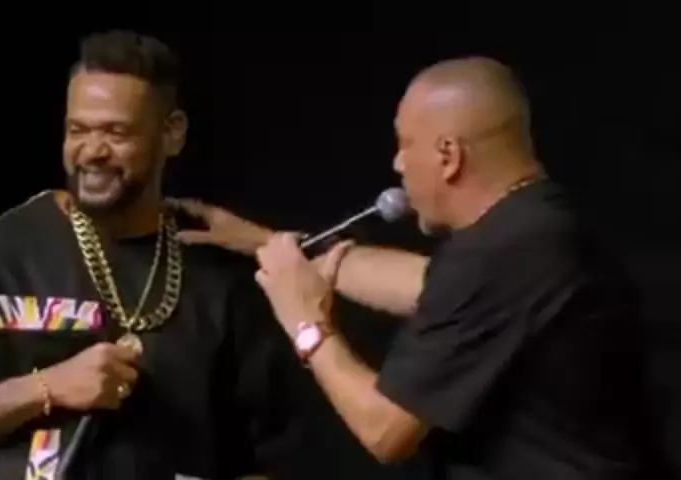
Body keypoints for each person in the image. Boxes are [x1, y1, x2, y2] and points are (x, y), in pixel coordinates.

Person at [174, 57, 646, 479]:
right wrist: (263, 241)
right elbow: (424, 285)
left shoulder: (502, 251)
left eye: (405, 144)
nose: (397, 163)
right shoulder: (534, 226)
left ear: (448, 155)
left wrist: (306, 323)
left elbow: (384, 432)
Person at [0, 30, 299, 480]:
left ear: (172, 133)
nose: (92, 151)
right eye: (77, 130)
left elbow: (267, 457)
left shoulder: (218, 271)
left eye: (116, 132)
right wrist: (47, 387)